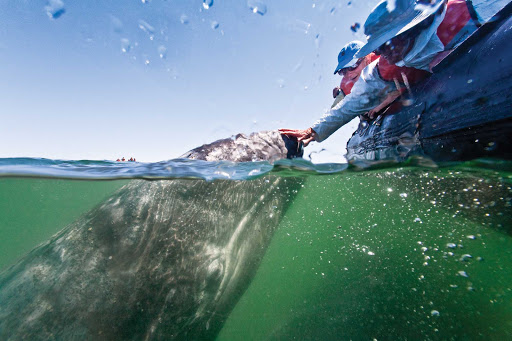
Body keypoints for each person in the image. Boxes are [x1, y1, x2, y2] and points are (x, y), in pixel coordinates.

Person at [281, 0, 509, 147]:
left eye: (385, 44)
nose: (380, 53)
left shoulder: (479, 6)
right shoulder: (380, 71)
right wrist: (314, 130)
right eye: (377, 47)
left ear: (414, 29)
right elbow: (350, 106)